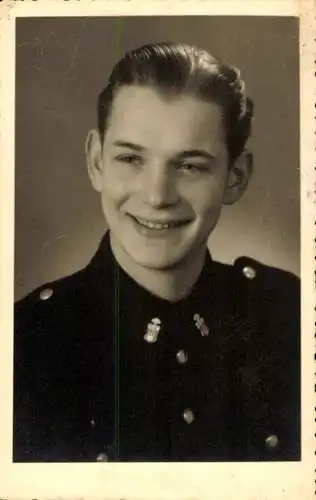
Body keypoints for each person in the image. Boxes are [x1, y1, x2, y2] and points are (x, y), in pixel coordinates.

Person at [13, 42, 300, 462]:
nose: (157, 196)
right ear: (96, 162)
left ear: (235, 178)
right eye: (130, 158)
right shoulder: (25, 344)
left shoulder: (286, 316)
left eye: (189, 165)